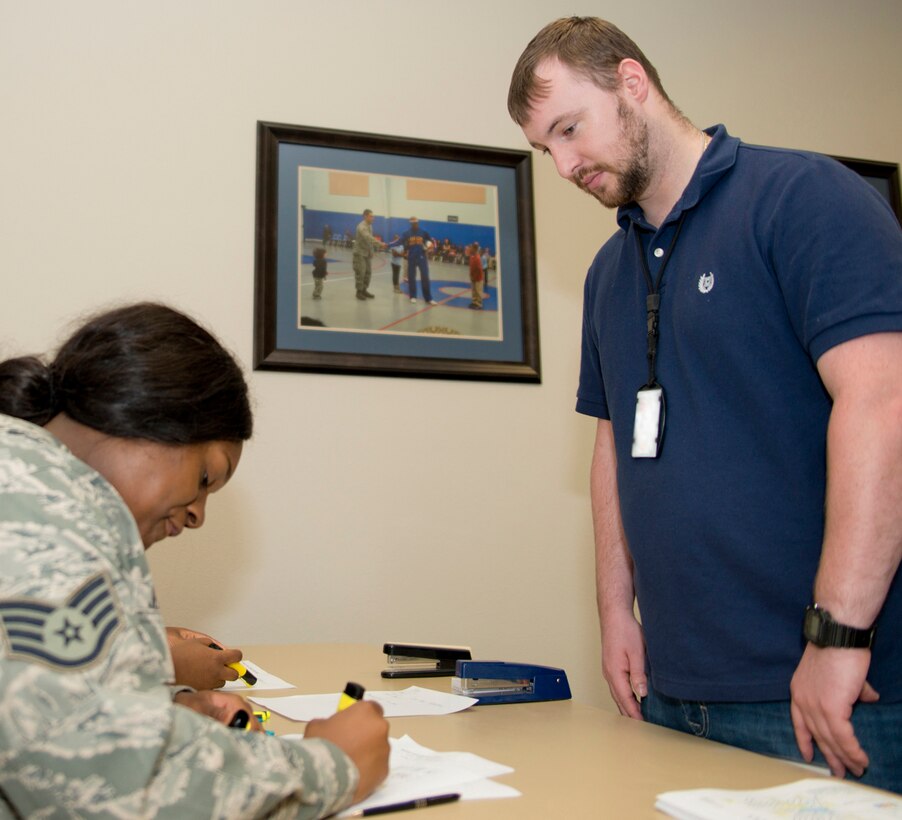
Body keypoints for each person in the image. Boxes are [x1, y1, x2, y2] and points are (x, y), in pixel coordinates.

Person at [508, 17, 902, 793]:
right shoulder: (607, 273)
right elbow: (613, 447)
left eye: (568, 129)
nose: (561, 164)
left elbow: (884, 404)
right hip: (674, 690)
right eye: (543, 148)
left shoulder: (803, 197)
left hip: (826, 689)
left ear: (631, 82)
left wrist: (837, 637)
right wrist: (616, 613)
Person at [0, 302, 389, 816]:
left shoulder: (27, 478)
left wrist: (167, 712)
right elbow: (114, 794)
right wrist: (336, 766)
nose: (198, 516)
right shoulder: (48, 515)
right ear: (146, 411)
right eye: (205, 478)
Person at [393, 216, 436, 304]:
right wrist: (388, 245)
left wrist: (431, 247)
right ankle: (412, 296)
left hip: (422, 257)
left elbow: (431, 241)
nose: (415, 224)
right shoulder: (406, 233)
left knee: (425, 277)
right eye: (413, 223)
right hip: (411, 257)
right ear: (410, 224)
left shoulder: (424, 232)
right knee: (411, 277)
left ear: (418, 223)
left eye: (416, 223)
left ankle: (428, 298)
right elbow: (400, 242)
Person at [352, 209, 380, 300]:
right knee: (361, 272)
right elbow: (368, 238)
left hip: (367, 253)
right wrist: (380, 244)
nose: (373, 218)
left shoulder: (370, 226)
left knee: (368, 272)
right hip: (359, 253)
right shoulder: (361, 227)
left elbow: (369, 242)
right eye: (371, 216)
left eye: (373, 216)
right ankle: (359, 292)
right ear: (365, 216)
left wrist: (371, 252)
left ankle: (364, 289)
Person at [467, 242, 484, 310]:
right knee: (474, 290)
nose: (470, 249)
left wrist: (475, 277)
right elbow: (471, 267)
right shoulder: (472, 256)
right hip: (473, 276)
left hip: (478, 277)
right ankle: (474, 302)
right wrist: (471, 275)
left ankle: (479, 304)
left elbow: (479, 269)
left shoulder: (477, 258)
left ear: (475, 249)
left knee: (478, 291)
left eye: (472, 248)